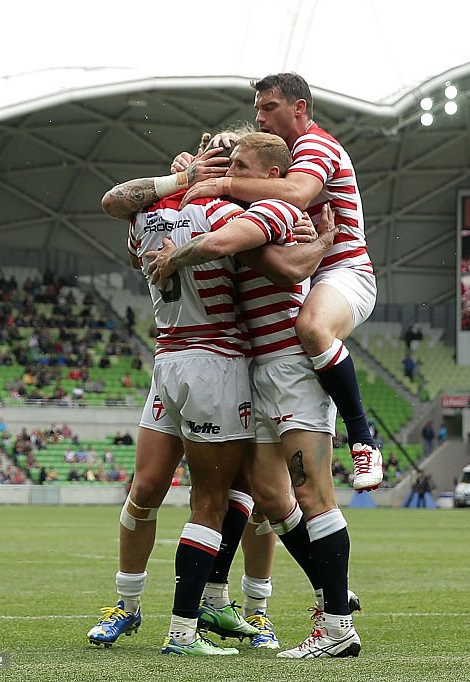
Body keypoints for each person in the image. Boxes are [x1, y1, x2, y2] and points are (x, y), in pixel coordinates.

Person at [88, 131, 326, 655]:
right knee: (185, 492)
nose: (220, 161)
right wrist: (316, 232)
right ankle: (150, 613)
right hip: (197, 358)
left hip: (197, 360)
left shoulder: (175, 217)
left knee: (217, 494)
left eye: (229, 156)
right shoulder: (197, 212)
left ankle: (215, 610)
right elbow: (270, 258)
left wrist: (184, 189)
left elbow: (129, 228)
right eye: (219, 155)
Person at [152, 133, 363, 659]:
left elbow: (281, 267)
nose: (233, 173)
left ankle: (336, 626)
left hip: (289, 366)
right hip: (256, 369)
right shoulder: (237, 208)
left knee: (315, 495)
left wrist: (177, 255)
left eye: (242, 166)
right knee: (270, 497)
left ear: (271, 174)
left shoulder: (272, 207)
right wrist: (190, 172)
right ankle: (331, 594)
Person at [179, 72, 382, 491]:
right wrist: (190, 172)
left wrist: (224, 183)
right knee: (265, 497)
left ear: (299, 108)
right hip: (304, 277)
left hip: (345, 272)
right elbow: (227, 162)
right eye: (257, 110)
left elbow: (299, 192)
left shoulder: (316, 145)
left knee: (312, 327)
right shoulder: (274, 157)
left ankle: (363, 441)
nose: (260, 119)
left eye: (269, 108)